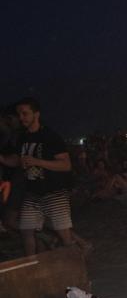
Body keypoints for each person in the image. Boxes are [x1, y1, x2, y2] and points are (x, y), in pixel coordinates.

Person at [0, 98, 74, 255]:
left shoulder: (50, 136)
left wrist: (38, 161)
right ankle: (33, 266)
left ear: (36, 114)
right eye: (19, 114)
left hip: (53, 192)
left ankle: (77, 267)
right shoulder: (23, 138)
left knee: (64, 234)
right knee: (27, 232)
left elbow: (65, 165)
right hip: (32, 192)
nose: (21, 117)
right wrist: (3, 159)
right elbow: (18, 160)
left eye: (25, 113)